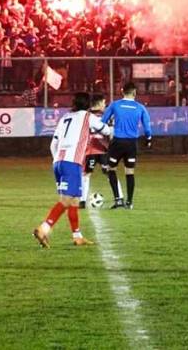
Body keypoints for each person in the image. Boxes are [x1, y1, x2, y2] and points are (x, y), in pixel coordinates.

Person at [33, 92, 111, 248]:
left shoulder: (64, 118)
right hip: (72, 163)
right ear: (88, 104)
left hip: (58, 163)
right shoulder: (88, 117)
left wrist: (57, 160)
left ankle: (77, 236)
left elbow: (52, 145)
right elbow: (107, 130)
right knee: (67, 200)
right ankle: (44, 228)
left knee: (74, 200)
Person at [101, 82, 152, 209]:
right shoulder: (140, 107)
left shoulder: (115, 105)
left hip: (117, 142)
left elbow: (103, 121)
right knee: (129, 171)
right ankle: (129, 202)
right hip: (131, 144)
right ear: (134, 92)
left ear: (122, 91)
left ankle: (118, 199)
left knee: (111, 169)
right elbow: (147, 126)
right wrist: (148, 138)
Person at [80, 94, 117, 209]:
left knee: (86, 175)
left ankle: (82, 201)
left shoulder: (85, 115)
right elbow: (111, 132)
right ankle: (119, 198)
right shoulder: (107, 115)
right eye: (104, 102)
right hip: (103, 149)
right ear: (100, 103)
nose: (105, 105)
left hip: (89, 149)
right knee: (110, 173)